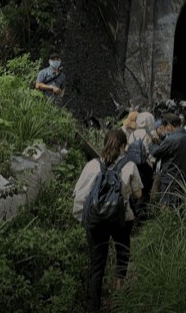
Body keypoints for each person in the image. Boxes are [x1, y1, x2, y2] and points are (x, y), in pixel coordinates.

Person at [72, 129, 142, 312]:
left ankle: (94, 306)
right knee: (122, 255)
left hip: (96, 220)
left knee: (97, 264)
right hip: (122, 218)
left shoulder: (92, 166)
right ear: (122, 146)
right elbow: (139, 193)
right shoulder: (129, 166)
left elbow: (78, 194)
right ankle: (118, 297)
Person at [149, 113, 186, 206]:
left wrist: (152, 144)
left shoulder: (171, 139)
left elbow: (156, 153)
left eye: (165, 126)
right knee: (179, 204)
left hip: (170, 177)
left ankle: (165, 220)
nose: (165, 129)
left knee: (166, 204)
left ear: (170, 125)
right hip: (184, 176)